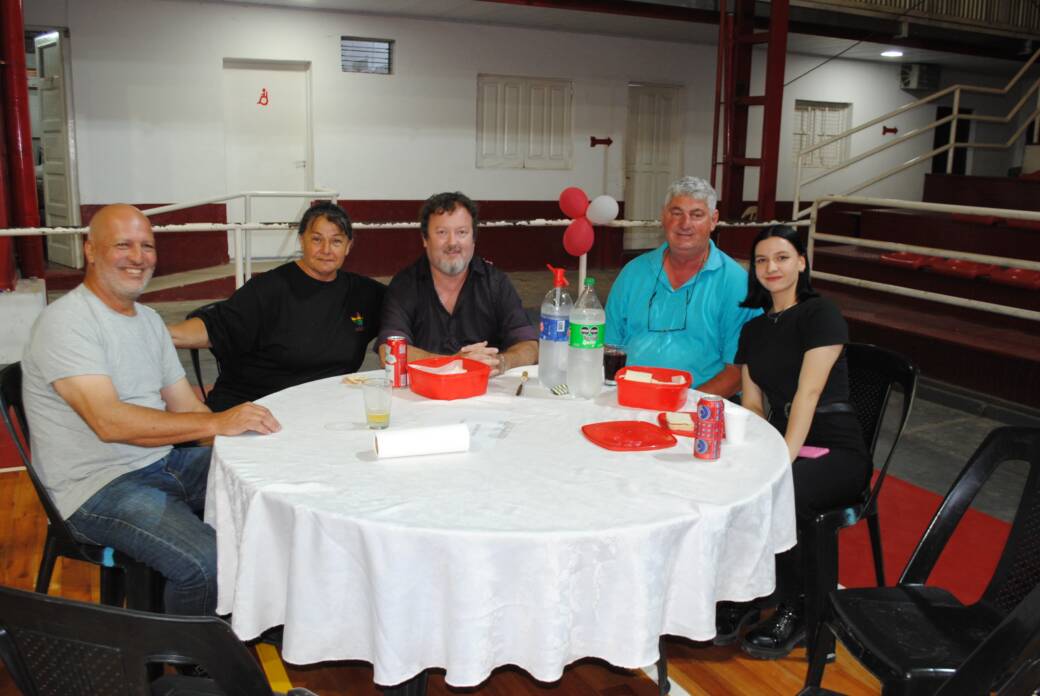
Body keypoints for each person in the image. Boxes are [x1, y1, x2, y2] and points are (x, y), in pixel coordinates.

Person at [21, 204, 281, 616]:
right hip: (96, 488)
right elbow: (109, 422)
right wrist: (218, 422)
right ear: (90, 250)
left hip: (162, 461)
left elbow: (186, 407)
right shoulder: (67, 322)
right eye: (123, 245)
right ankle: (183, 650)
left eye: (147, 246)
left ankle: (257, 617)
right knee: (206, 562)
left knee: (274, 482)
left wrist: (246, 441)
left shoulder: (148, 320)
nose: (138, 257)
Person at [723, 224, 871, 658]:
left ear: (802, 263)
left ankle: (802, 612)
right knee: (726, 484)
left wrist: (780, 460)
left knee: (782, 493)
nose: (771, 267)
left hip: (836, 449)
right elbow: (753, 403)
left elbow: (808, 393)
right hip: (783, 441)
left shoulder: (820, 313)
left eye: (782, 257)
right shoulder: (753, 329)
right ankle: (749, 593)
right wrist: (754, 454)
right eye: (762, 260)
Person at [168, 201, 385, 411]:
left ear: (348, 246)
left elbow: (401, 310)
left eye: (336, 241)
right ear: (301, 240)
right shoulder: (269, 288)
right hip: (254, 407)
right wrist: (158, 334)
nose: (326, 249)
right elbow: (215, 327)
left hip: (321, 410)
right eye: (317, 239)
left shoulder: (363, 293)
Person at [604, 176, 759, 397]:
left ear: (713, 220)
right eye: (676, 213)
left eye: (697, 215)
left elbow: (738, 373)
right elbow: (608, 347)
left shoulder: (736, 283)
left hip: (701, 405)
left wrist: (681, 405)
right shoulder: (633, 273)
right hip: (629, 398)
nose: (685, 224)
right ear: (663, 216)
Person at [377, 191, 537, 375]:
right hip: (424, 389)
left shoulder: (495, 283)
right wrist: (454, 363)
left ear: (473, 239)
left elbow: (530, 346)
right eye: (442, 232)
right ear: (425, 239)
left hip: (485, 387)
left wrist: (501, 362)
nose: (453, 242)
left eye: (462, 232)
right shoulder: (405, 285)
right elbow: (389, 351)